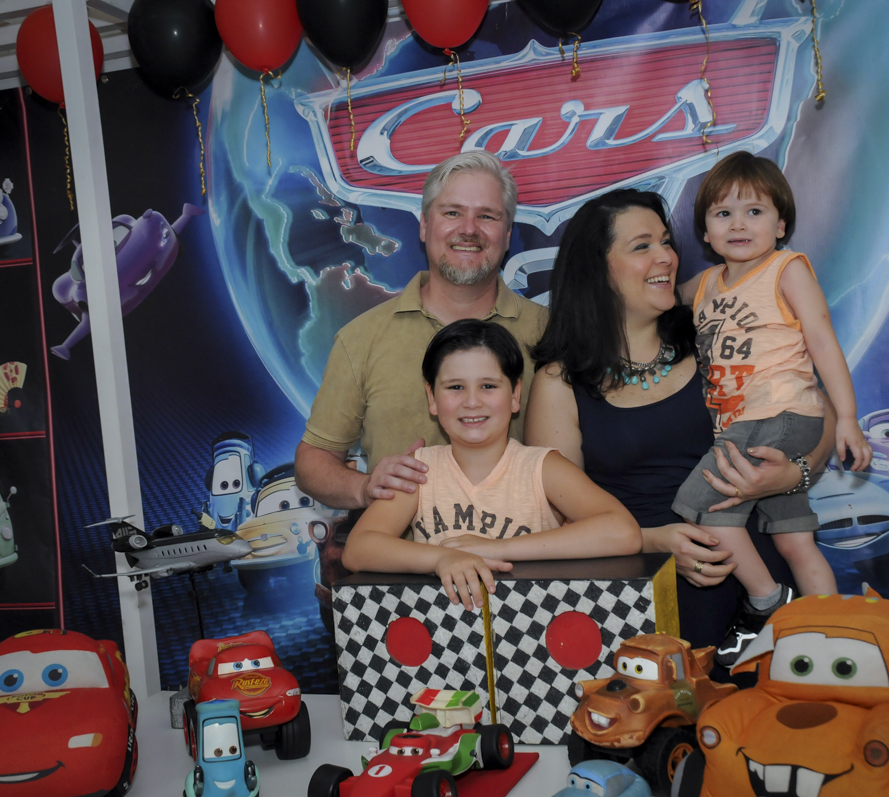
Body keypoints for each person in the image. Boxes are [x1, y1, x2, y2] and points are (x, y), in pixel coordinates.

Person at [526, 188, 835, 664]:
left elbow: (818, 412)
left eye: (667, 242)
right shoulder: (559, 381)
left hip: (767, 586)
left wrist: (795, 475)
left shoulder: (714, 328)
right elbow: (558, 515)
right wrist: (655, 538)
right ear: (597, 268)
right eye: (642, 245)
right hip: (647, 602)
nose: (666, 257)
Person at [671, 152, 871, 665]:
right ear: (706, 233)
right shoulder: (707, 285)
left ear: (780, 224)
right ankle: (838, 634)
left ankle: (765, 603)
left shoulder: (786, 269)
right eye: (723, 214)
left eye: (754, 212)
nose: (739, 224)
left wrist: (846, 417)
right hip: (748, 425)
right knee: (795, 540)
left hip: (781, 415)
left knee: (706, 509)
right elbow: (660, 296)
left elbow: (824, 342)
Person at [294, 152, 546, 511]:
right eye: (452, 212)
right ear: (425, 226)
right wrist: (365, 488)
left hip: (523, 557)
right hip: (401, 561)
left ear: (507, 235)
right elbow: (313, 459)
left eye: (487, 216)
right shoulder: (362, 338)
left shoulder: (549, 333)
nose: (469, 229)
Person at [342, 320, 643, 608]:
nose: (472, 401)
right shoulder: (420, 470)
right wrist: (439, 559)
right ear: (431, 398)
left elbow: (624, 532)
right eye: (455, 387)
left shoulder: (542, 467)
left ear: (515, 395)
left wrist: (492, 549)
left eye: (488, 386)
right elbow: (358, 549)